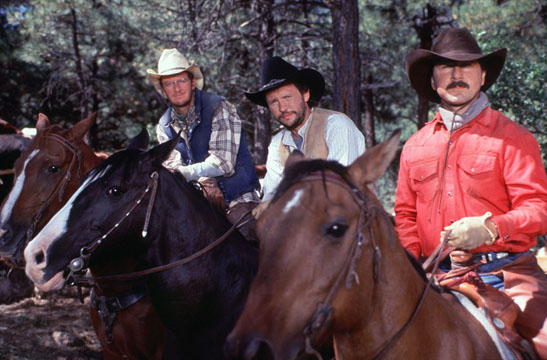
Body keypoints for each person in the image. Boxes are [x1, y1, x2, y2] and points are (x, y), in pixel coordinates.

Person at [395, 27, 547, 357]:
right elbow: (405, 217)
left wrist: (492, 228)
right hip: (433, 278)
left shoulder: (513, 137)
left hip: (505, 274)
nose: (456, 74)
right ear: (433, 82)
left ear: (482, 76)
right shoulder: (414, 146)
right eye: (445, 67)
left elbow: (538, 209)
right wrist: (410, 271)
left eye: (466, 66)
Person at [147, 48, 260, 240]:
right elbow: (173, 167)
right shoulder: (164, 125)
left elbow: (222, 162)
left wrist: (186, 174)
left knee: (242, 243)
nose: (177, 88)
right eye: (169, 83)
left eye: (181, 80)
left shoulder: (218, 107)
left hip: (236, 199)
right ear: (163, 91)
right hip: (196, 205)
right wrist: (197, 181)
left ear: (192, 83)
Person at [244, 56, 365, 202]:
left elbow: (339, 186)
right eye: (274, 102)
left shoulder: (336, 125)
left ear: (305, 94)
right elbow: (271, 196)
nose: (282, 108)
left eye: (287, 97)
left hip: (348, 217)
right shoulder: (278, 143)